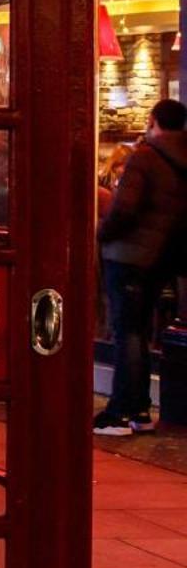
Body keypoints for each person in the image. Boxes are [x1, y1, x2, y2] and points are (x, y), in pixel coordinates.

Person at [95, 98, 187, 435]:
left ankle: (120, 412)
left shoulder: (145, 157)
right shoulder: (181, 159)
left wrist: (102, 233)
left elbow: (124, 209)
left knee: (126, 333)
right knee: (141, 332)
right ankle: (141, 411)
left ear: (153, 120)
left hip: (128, 256)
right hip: (161, 259)